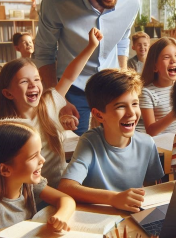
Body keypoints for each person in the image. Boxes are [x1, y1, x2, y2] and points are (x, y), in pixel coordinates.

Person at [33, 0, 140, 136]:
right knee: (72, 149)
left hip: (112, 87)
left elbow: (122, 41)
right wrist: (59, 99)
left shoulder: (132, 1)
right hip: (72, 90)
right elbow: (44, 53)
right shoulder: (56, 1)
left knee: (114, 146)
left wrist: (124, 82)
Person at [0, 28, 103, 188]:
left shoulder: (49, 103)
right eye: (24, 81)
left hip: (64, 187)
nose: (33, 85)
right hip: (32, 196)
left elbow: (69, 76)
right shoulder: (8, 128)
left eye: (37, 79)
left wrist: (91, 46)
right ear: (8, 94)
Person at [58, 69, 164, 212]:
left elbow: (153, 188)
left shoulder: (147, 143)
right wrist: (113, 199)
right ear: (98, 115)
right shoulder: (90, 142)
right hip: (99, 217)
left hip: (132, 217)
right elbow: (66, 187)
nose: (131, 113)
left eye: (135, 104)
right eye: (121, 106)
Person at [0, 121, 75, 233]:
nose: (42, 160)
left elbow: (65, 199)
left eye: (40, 152)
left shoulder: (28, 185)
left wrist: (61, 216)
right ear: (5, 169)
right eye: (33, 156)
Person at [136, 37, 176, 136]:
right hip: (163, 146)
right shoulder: (147, 93)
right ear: (154, 67)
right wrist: (174, 114)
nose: (173, 60)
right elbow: (151, 131)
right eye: (166, 57)